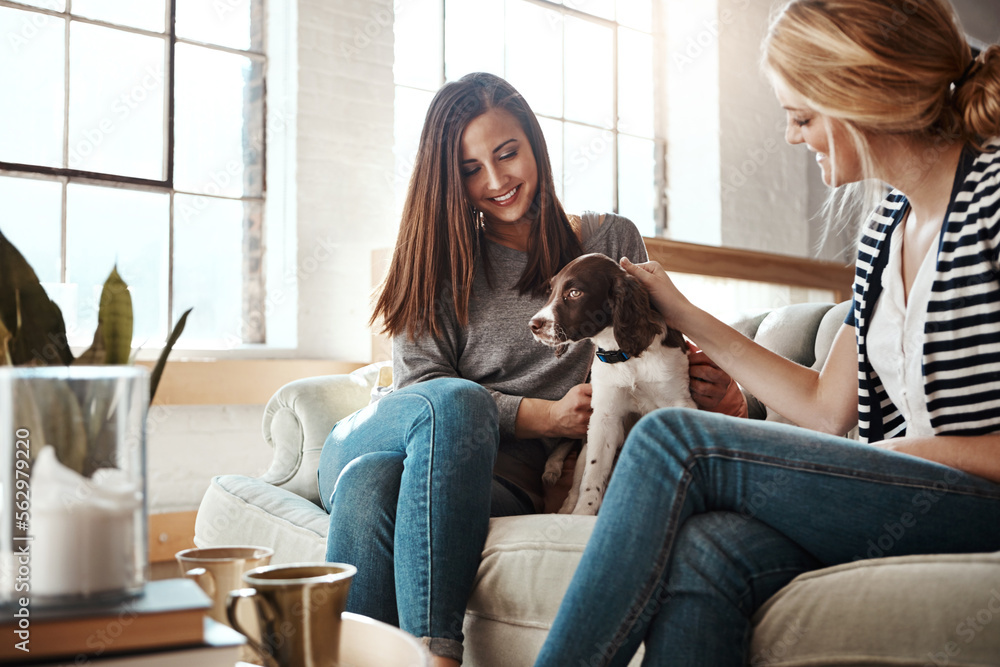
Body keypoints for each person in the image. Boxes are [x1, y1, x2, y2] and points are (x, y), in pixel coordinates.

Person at [533, 1, 1000, 665]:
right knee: (708, 547)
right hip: (904, 485)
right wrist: (683, 312)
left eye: (802, 116)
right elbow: (823, 405)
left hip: (971, 498)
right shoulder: (883, 236)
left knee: (674, 438)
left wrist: (909, 454)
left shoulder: (993, 202)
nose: (792, 136)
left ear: (860, 95)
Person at [316, 72, 744, 666]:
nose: (496, 180)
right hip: (390, 431)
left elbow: (654, 348)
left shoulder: (609, 242)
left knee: (369, 486)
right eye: (470, 169)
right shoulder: (438, 262)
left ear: (534, 146)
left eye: (507, 153)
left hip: (490, 479)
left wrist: (726, 391)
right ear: (449, 179)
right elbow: (421, 392)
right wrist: (541, 415)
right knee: (454, 403)